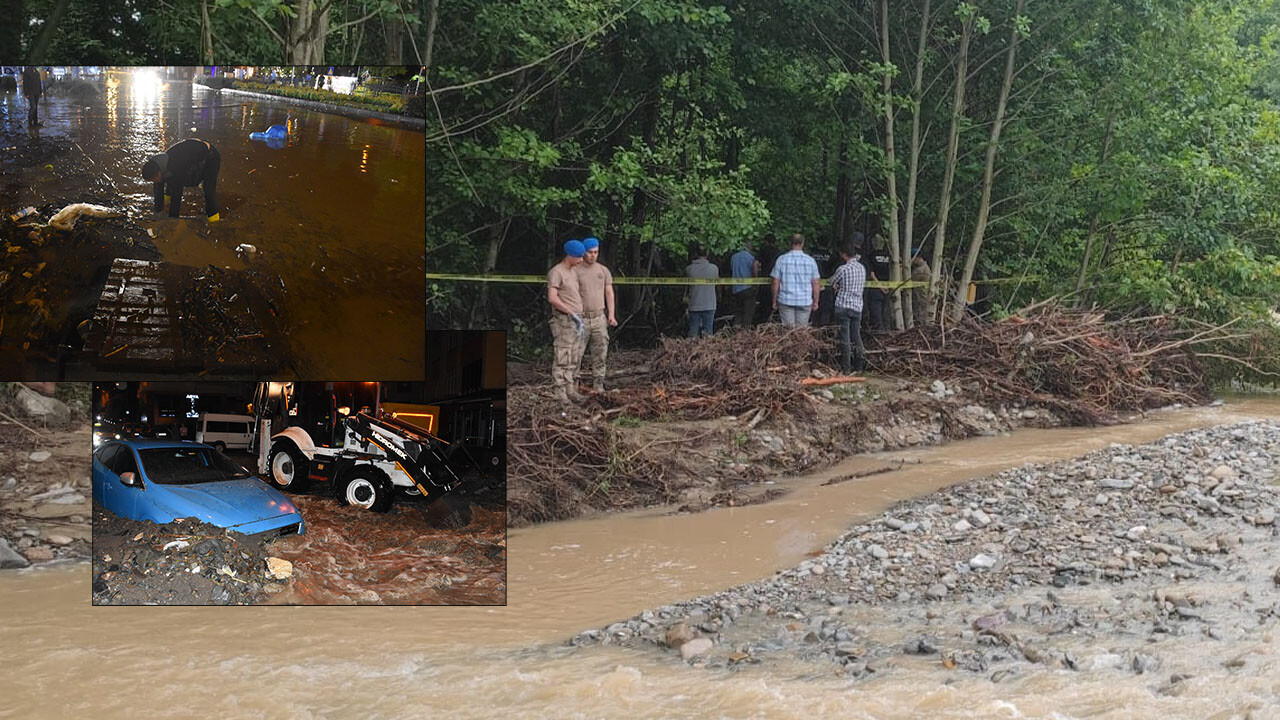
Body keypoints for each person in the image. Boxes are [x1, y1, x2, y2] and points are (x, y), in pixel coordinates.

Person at [140, 139, 222, 222]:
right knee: (168, 180)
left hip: (210, 156)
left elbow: (177, 196)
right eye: (152, 180)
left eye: (154, 178)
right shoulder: (157, 168)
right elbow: (158, 193)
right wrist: (157, 214)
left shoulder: (177, 168)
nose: (154, 181)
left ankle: (214, 221)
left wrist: (172, 221)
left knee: (208, 189)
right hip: (191, 152)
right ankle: (167, 204)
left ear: (158, 172)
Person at [547, 239, 588, 405]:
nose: (581, 260)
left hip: (576, 320)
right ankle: (560, 391)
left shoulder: (573, 271)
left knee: (574, 355)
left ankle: (571, 388)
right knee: (563, 355)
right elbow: (552, 298)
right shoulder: (557, 272)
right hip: (564, 320)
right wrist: (570, 312)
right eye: (578, 257)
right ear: (569, 256)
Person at [575, 236, 616, 392]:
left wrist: (611, 314)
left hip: (599, 317)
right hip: (581, 319)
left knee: (600, 354)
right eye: (590, 252)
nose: (593, 255)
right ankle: (573, 386)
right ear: (583, 252)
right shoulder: (575, 270)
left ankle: (598, 385)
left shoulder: (603, 270)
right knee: (576, 355)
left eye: (596, 252)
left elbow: (609, 292)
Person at [829, 235, 868, 373]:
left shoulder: (842, 269)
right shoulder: (862, 268)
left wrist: (837, 286)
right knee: (856, 336)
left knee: (844, 338)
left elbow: (831, 282)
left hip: (843, 305)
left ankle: (846, 368)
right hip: (857, 306)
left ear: (843, 254)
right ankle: (859, 366)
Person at [770, 233, 820, 327]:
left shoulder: (781, 260)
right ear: (802, 243)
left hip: (786, 300)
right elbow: (816, 283)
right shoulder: (810, 261)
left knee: (788, 331)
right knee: (801, 333)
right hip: (804, 301)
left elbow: (775, 281)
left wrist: (774, 300)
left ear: (790, 243)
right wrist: (816, 301)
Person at [686, 247, 719, 337]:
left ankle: (690, 349)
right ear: (707, 253)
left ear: (696, 254)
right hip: (710, 303)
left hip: (694, 303)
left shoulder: (689, 269)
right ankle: (708, 350)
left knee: (693, 331)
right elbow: (716, 284)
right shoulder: (714, 268)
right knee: (708, 332)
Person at [862, 236, 893, 331]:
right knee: (886, 311)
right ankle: (887, 330)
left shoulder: (870, 256)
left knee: (876, 311)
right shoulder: (889, 255)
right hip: (889, 287)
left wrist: (879, 286)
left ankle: (878, 332)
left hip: (875, 288)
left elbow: (871, 273)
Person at [730, 243, 760, 329]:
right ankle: (745, 334)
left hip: (736, 289)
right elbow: (754, 270)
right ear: (749, 248)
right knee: (748, 314)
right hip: (748, 288)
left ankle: (735, 332)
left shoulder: (733, 257)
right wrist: (755, 283)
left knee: (738, 313)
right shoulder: (751, 258)